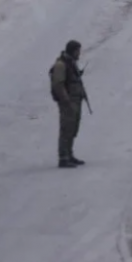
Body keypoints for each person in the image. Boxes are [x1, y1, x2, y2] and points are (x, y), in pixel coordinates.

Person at [49, 40, 88, 168]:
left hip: (75, 101)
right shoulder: (61, 64)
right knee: (66, 128)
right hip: (68, 102)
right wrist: (66, 100)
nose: (79, 54)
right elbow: (58, 84)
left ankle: (69, 154)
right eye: (77, 51)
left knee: (72, 128)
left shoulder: (70, 63)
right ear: (72, 51)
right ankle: (63, 157)